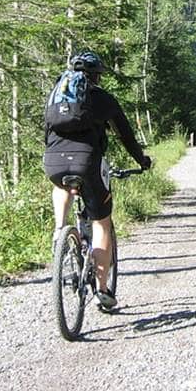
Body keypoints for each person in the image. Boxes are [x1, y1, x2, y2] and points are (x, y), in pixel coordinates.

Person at [42, 50, 151, 312]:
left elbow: (46, 131)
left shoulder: (56, 97)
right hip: (87, 161)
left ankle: (60, 230)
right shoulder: (101, 99)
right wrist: (141, 160)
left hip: (53, 161)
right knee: (102, 223)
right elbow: (125, 135)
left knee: (61, 184)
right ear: (97, 76)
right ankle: (102, 290)